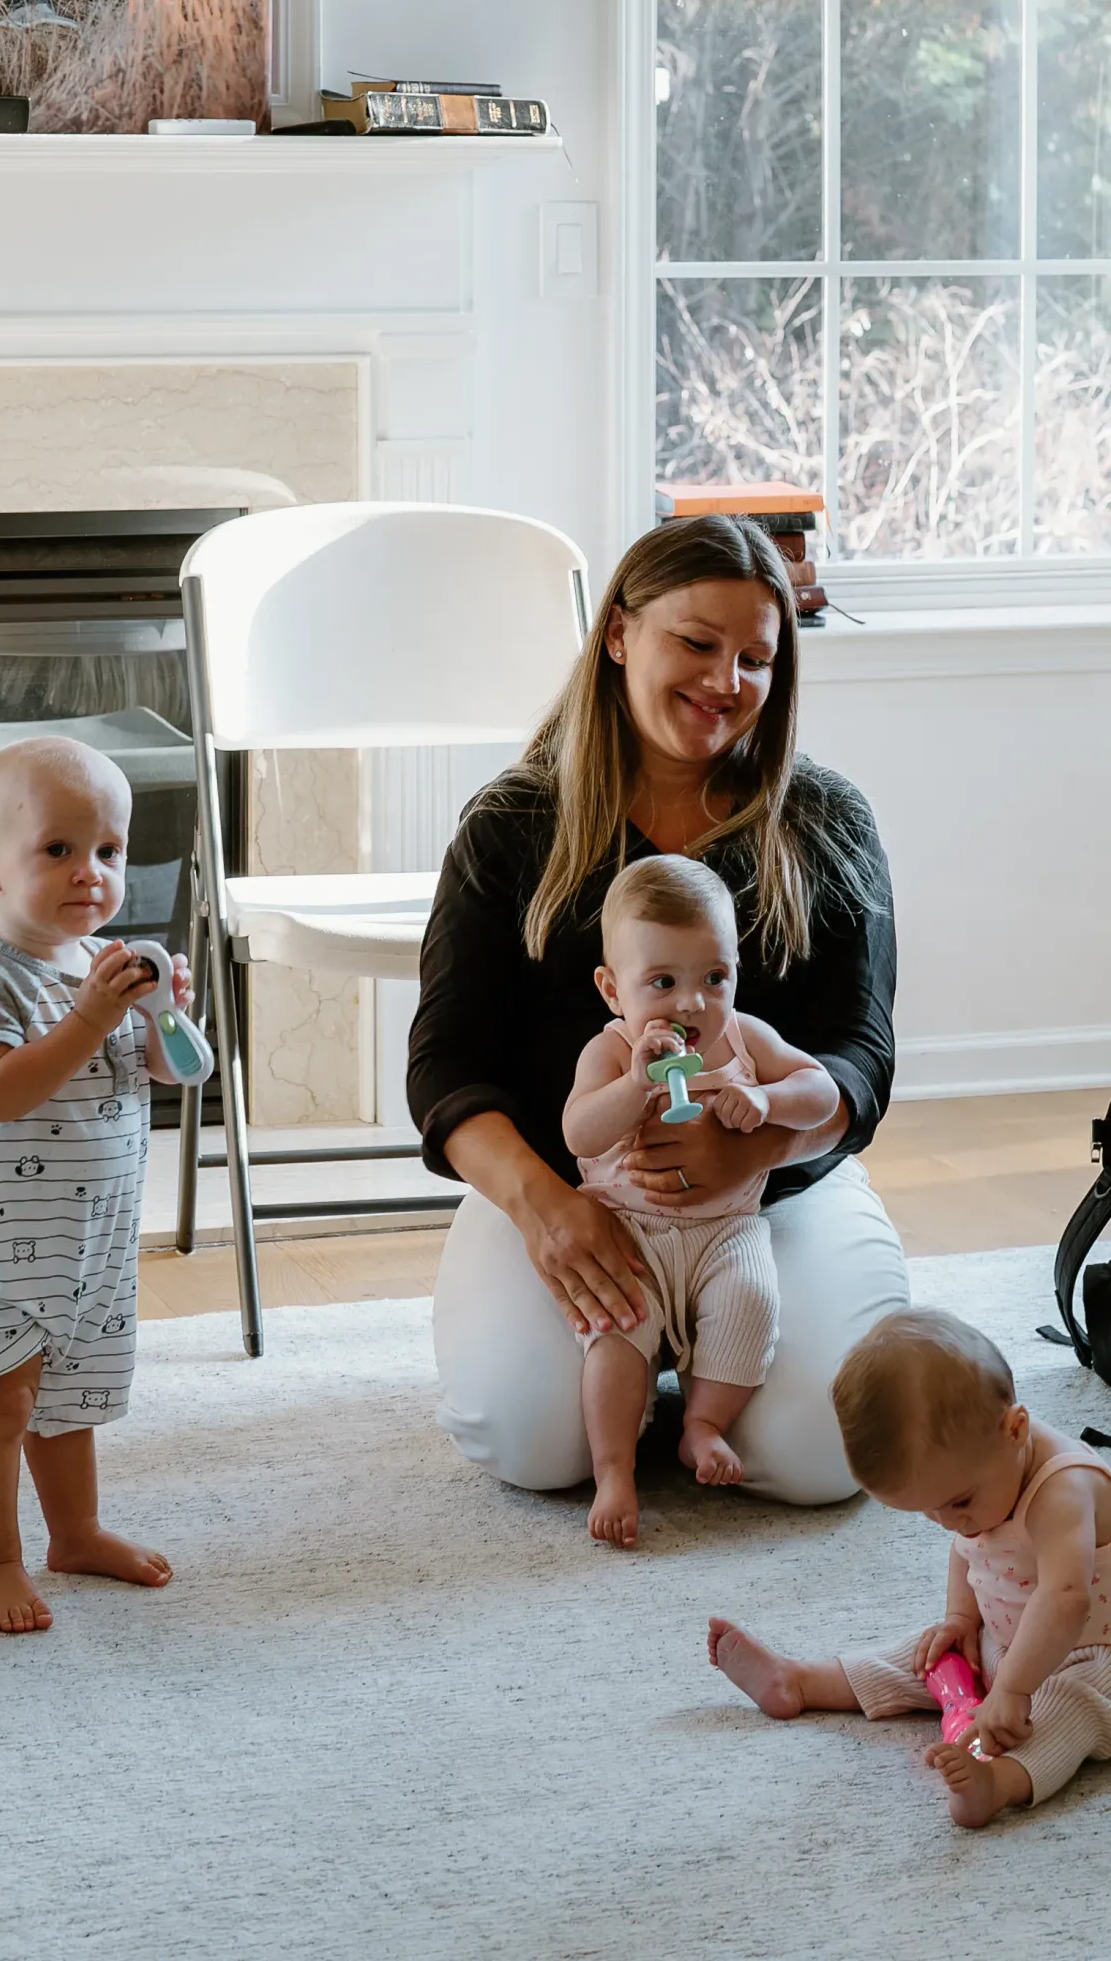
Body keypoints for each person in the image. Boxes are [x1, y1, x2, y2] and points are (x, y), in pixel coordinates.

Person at [407, 512, 907, 1507]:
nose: (728, 682)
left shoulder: (824, 822)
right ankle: (640, 1380)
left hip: (773, 1200)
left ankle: (705, 1380)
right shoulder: (511, 828)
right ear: (620, 634)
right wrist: (545, 1212)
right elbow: (446, 1063)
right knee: (532, 1444)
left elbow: (861, 1053)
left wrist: (758, 1148)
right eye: (697, 643)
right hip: (576, 1198)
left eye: (756, 659)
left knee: (824, 1455)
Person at [0, 736, 210, 1635]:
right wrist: (91, 1013)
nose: (92, 874)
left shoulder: (104, 970)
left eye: (109, 851)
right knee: (0, 1409)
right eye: (59, 850)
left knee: (66, 1405)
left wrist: (162, 1017)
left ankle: (74, 1534)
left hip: (90, 1249)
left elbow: (163, 1072)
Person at [709, 1310, 1111, 1827]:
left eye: (958, 1503)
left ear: (1015, 1429)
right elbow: (969, 1554)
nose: (950, 1524)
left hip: (1089, 1653)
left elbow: (1065, 1598)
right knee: (922, 1655)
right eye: (931, 1511)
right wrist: (960, 1622)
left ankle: (1000, 1782)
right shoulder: (983, 1479)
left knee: (1069, 1711)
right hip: (1006, 1639)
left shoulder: (1063, 1491)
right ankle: (801, 1682)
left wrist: (1011, 1690)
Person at [564, 855, 840, 1546]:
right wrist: (632, 1090)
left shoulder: (744, 1039)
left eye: (714, 978)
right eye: (662, 982)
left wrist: (766, 1098)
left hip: (726, 1231)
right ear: (611, 989)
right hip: (630, 1237)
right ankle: (614, 1469)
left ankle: (701, 1424)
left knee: (752, 1303)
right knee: (614, 1339)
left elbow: (824, 1092)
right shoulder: (611, 1050)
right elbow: (578, 1130)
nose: (692, 1004)